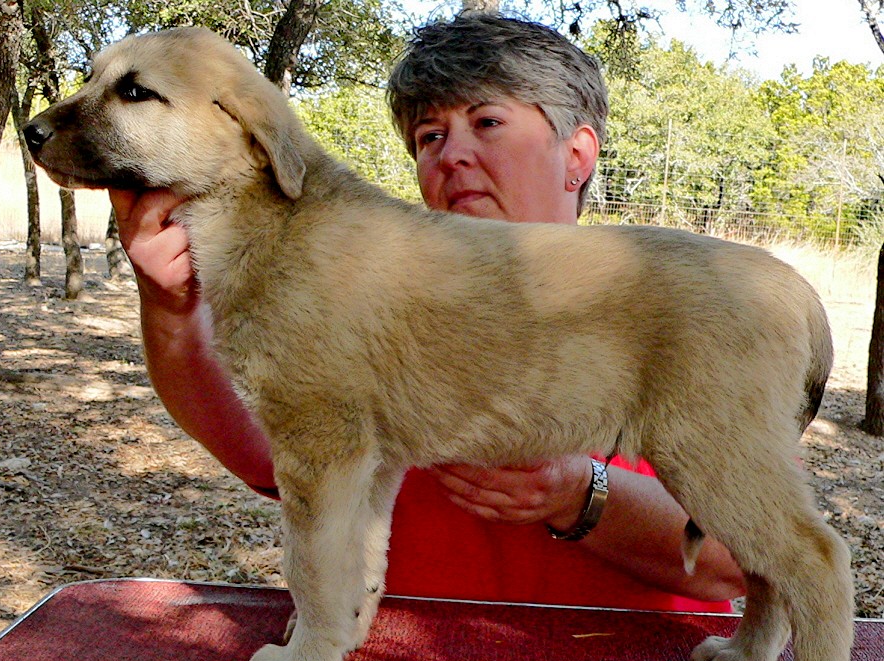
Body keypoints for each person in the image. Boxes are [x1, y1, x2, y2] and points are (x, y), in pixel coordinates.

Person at [109, 14, 745, 613]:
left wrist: (579, 494)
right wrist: (169, 308)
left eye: (487, 122)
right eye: (430, 136)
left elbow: (733, 559)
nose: (451, 156)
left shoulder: (673, 301)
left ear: (578, 155)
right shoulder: (360, 295)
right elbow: (264, 454)